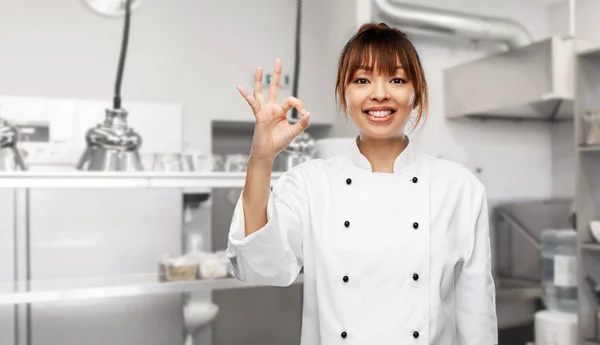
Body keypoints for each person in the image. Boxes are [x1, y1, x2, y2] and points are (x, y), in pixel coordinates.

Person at [226, 23, 498, 345]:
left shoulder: (459, 189)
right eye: (362, 80)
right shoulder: (311, 183)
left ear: (417, 94)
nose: (379, 93)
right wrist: (261, 158)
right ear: (344, 92)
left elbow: (476, 314)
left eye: (396, 79)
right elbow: (257, 265)